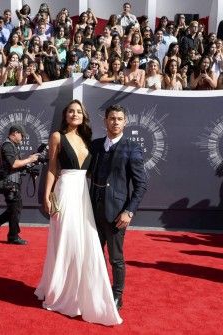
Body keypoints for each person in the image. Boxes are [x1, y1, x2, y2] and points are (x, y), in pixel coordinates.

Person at [35, 100, 122, 326]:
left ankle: (79, 292)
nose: (75, 114)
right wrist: (47, 196)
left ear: (84, 117)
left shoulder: (88, 141)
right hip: (65, 192)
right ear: (65, 115)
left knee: (84, 244)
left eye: (79, 112)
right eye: (71, 111)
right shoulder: (57, 136)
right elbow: (52, 167)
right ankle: (60, 292)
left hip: (84, 195)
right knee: (66, 242)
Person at [89, 104, 147, 312]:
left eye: (119, 119)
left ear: (125, 122)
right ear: (105, 121)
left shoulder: (132, 147)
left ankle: (117, 295)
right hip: (91, 211)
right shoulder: (95, 146)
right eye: (112, 118)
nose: (115, 122)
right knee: (94, 255)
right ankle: (98, 289)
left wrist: (129, 211)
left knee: (115, 257)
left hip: (116, 214)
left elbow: (141, 184)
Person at [0, 125, 39, 245]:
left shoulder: (12, 146)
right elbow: (14, 164)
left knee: (15, 208)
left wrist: (30, 170)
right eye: (22, 135)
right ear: (15, 133)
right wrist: (30, 159)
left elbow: (17, 165)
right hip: (9, 183)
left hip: (13, 182)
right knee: (15, 208)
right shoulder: (7, 145)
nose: (23, 138)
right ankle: (12, 235)